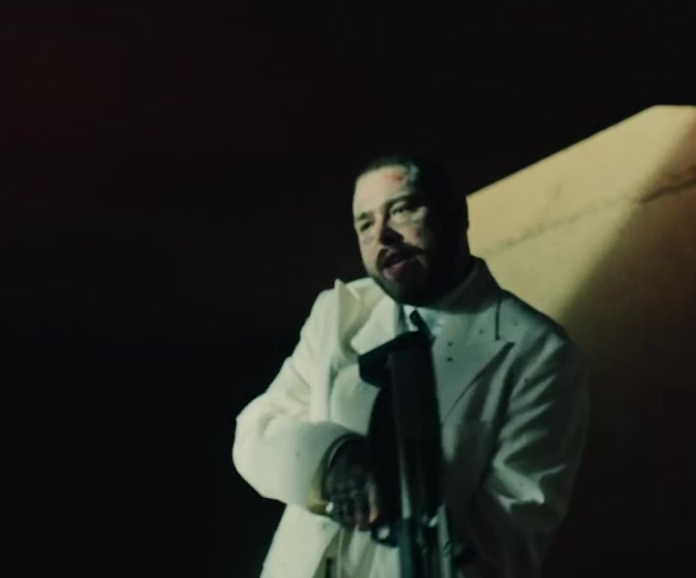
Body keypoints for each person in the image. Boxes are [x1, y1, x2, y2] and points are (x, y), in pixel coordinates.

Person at [232, 153, 590, 578]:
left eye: (401, 210)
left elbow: (508, 544)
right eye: (365, 224)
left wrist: (416, 509)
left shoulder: (540, 354)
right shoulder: (339, 313)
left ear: (456, 213)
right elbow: (256, 432)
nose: (383, 235)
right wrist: (334, 460)